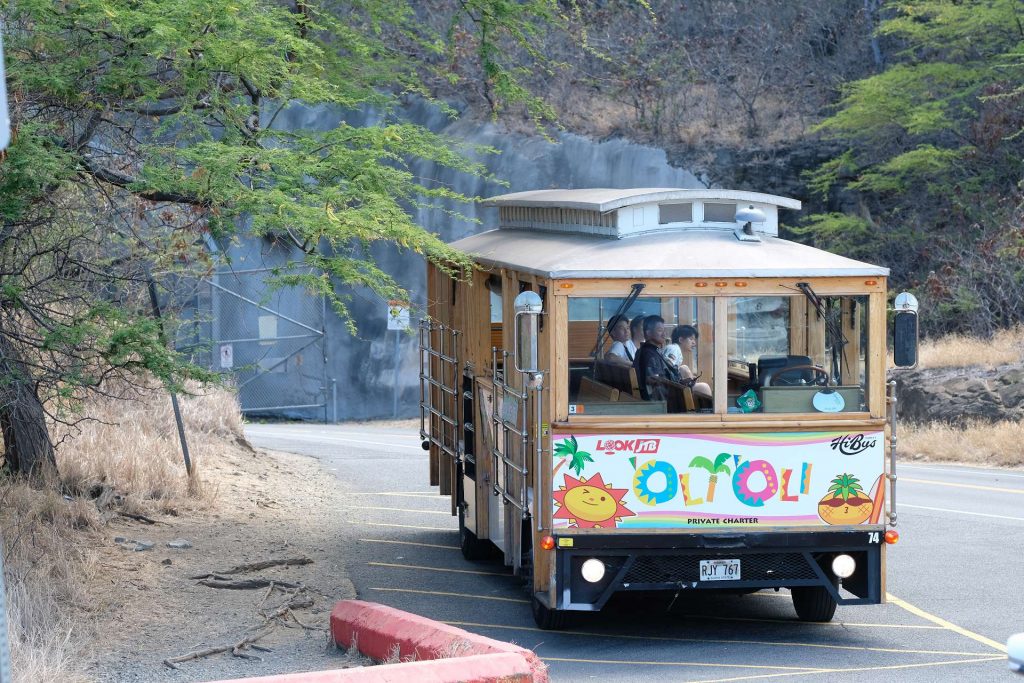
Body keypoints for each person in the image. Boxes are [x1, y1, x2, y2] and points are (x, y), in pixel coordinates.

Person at [633, 315, 679, 401]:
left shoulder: (644, 350)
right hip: (662, 403)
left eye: (664, 331)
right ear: (648, 333)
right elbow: (656, 384)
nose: (664, 334)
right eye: (660, 330)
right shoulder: (650, 355)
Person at [662, 324, 712, 401]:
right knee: (704, 387)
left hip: (670, 386)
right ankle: (707, 411)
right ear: (681, 340)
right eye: (691, 339)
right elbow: (668, 368)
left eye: (694, 340)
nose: (694, 343)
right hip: (669, 389)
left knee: (684, 367)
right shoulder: (674, 349)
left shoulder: (674, 349)